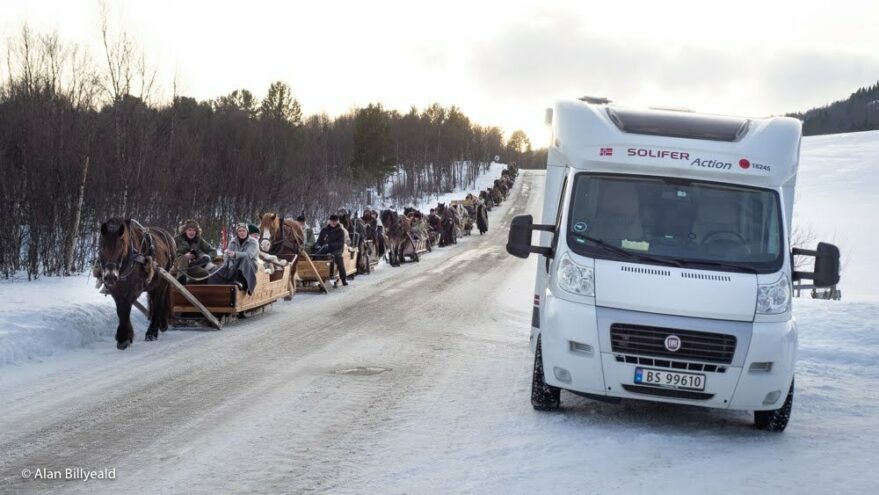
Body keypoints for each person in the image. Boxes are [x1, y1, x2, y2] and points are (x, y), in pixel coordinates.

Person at [208, 223, 259, 293]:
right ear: (237, 232)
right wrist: (227, 265)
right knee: (215, 272)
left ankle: (240, 282)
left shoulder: (253, 242)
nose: (242, 233)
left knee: (245, 258)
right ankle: (211, 290)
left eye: (243, 230)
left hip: (249, 267)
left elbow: (249, 255)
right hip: (234, 265)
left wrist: (235, 254)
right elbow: (227, 256)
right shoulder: (233, 242)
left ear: (247, 231)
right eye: (240, 231)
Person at [313, 214, 348, 286]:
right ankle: (318, 275)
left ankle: (343, 278)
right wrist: (318, 245)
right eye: (332, 221)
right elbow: (319, 240)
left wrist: (330, 245)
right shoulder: (324, 230)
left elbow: (340, 243)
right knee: (316, 255)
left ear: (337, 221)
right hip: (324, 248)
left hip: (336, 250)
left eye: (335, 221)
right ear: (329, 221)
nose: (333, 223)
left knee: (338, 258)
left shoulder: (340, 231)